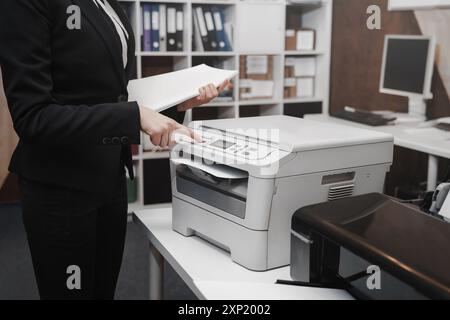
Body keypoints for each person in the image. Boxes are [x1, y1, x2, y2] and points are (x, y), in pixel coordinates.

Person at [0, 0, 230, 299]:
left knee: (102, 290)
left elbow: (114, 93)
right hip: (60, 187)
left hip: (109, 175)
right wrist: (134, 117)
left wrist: (178, 104)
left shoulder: (108, 4)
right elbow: (34, 117)